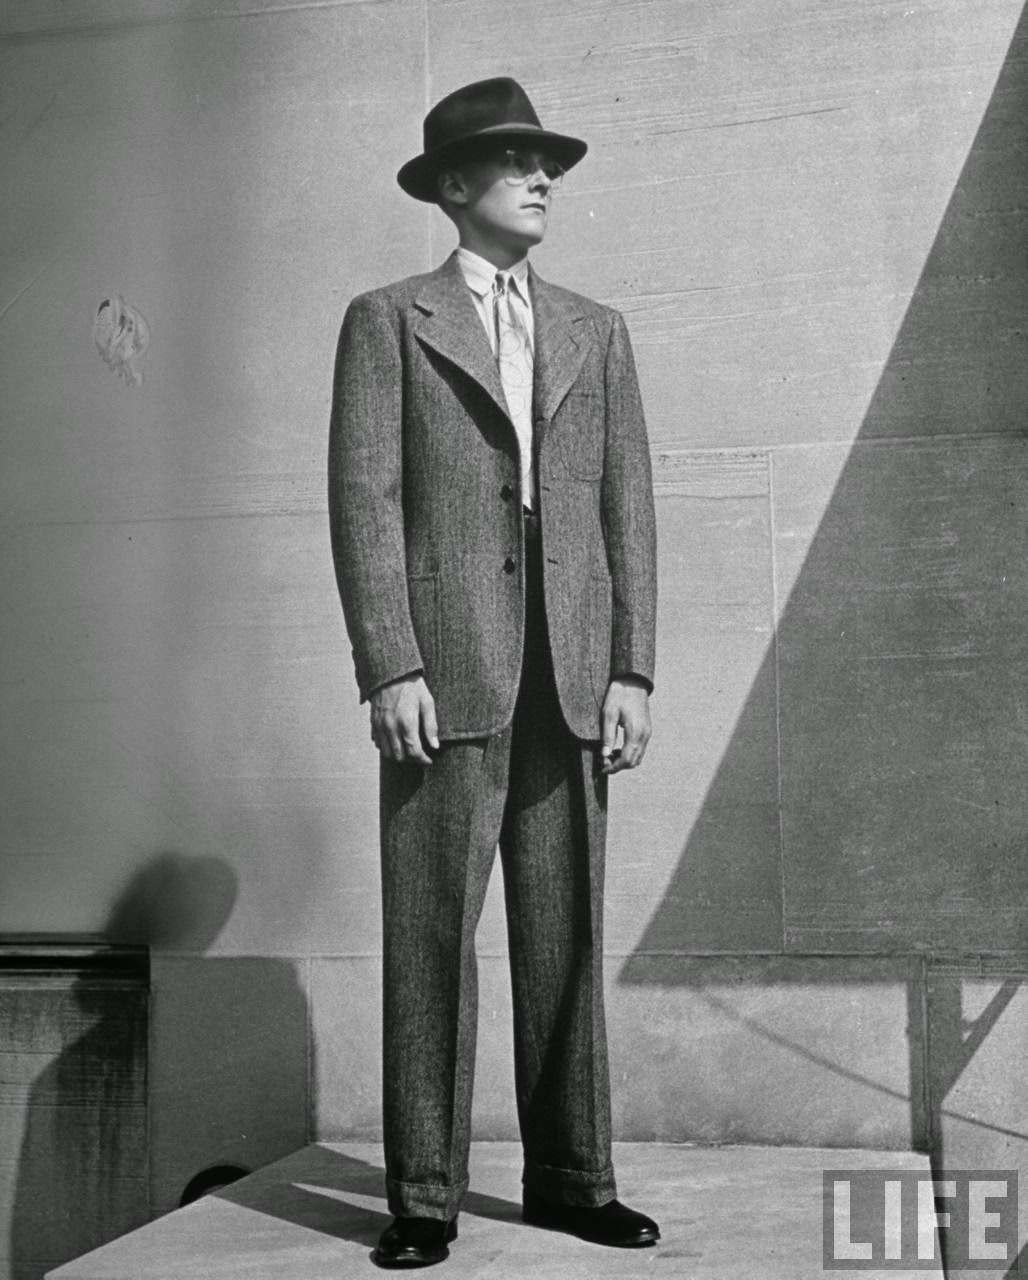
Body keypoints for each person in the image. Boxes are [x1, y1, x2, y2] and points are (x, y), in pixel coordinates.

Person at [328, 76, 659, 1269]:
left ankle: (574, 1178)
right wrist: (389, 664)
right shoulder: (387, 319)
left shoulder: (594, 327)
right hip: (447, 671)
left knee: (562, 931)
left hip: (569, 674)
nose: (539, 177)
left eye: (545, 160)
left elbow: (629, 508)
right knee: (429, 933)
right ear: (453, 186)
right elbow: (364, 500)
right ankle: (423, 1191)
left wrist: (634, 668)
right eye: (511, 160)